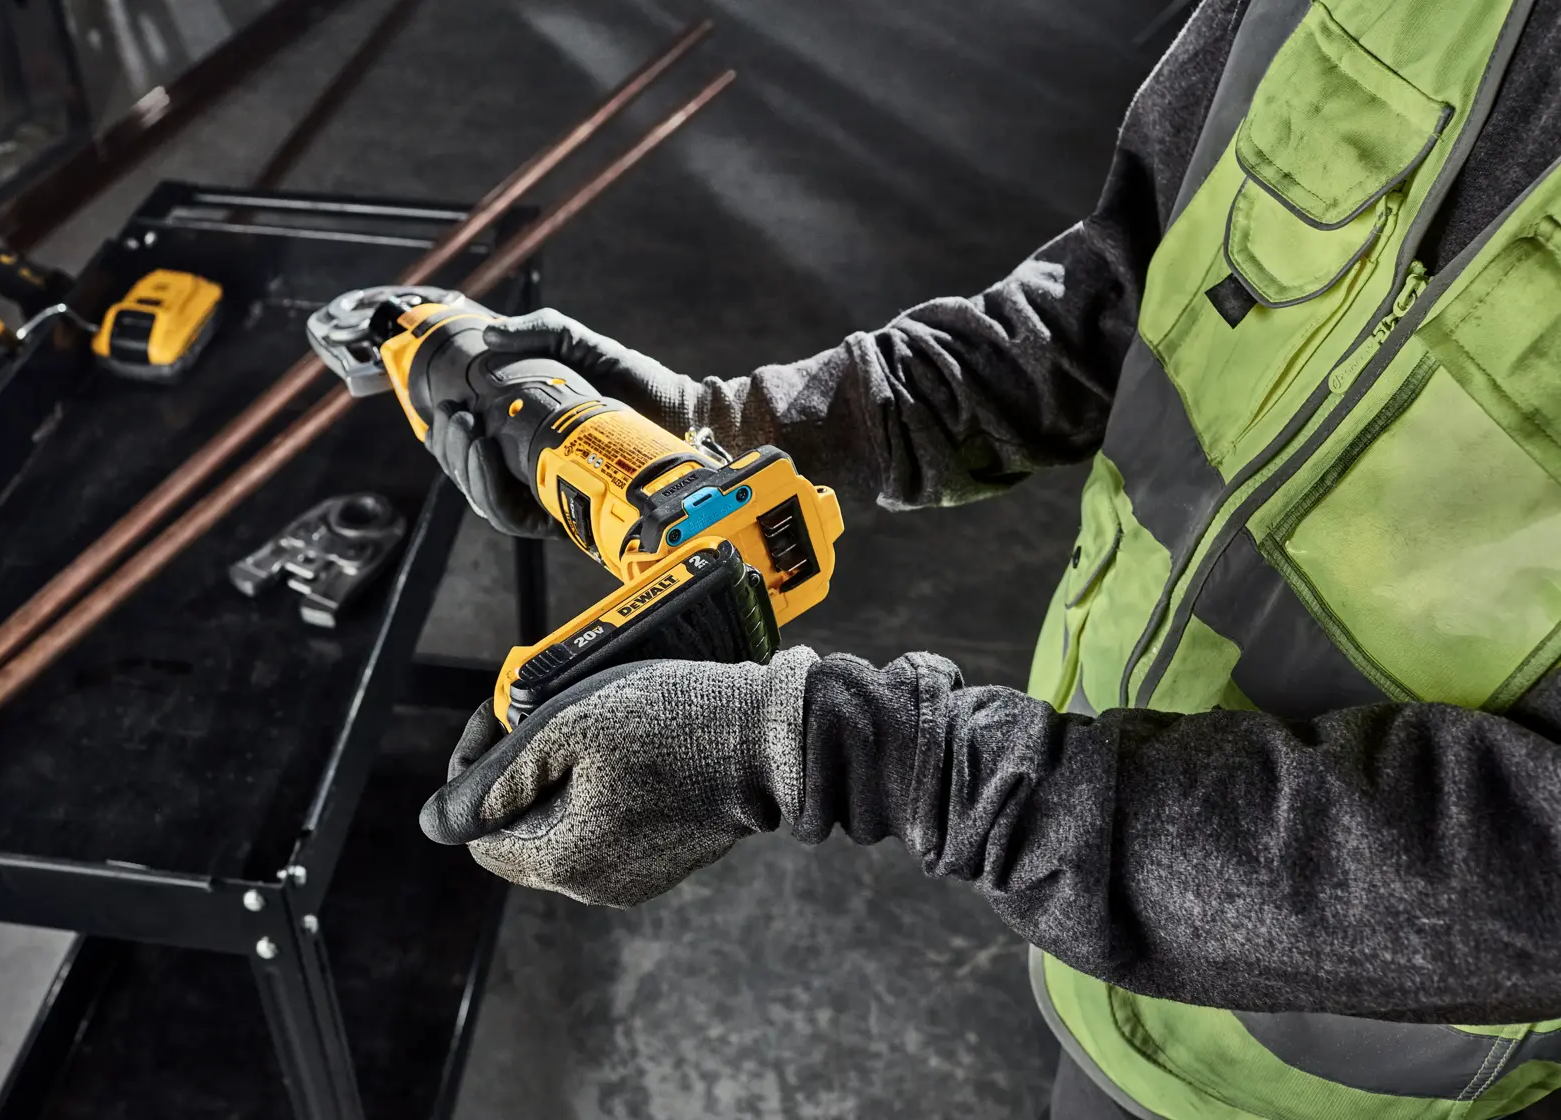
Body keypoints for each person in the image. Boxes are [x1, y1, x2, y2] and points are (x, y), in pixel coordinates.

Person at [419, 0, 1561, 1116]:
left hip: (1359, 1065)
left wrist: (887, 764)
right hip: (1092, 890)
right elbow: (1137, 285)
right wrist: (739, 428)